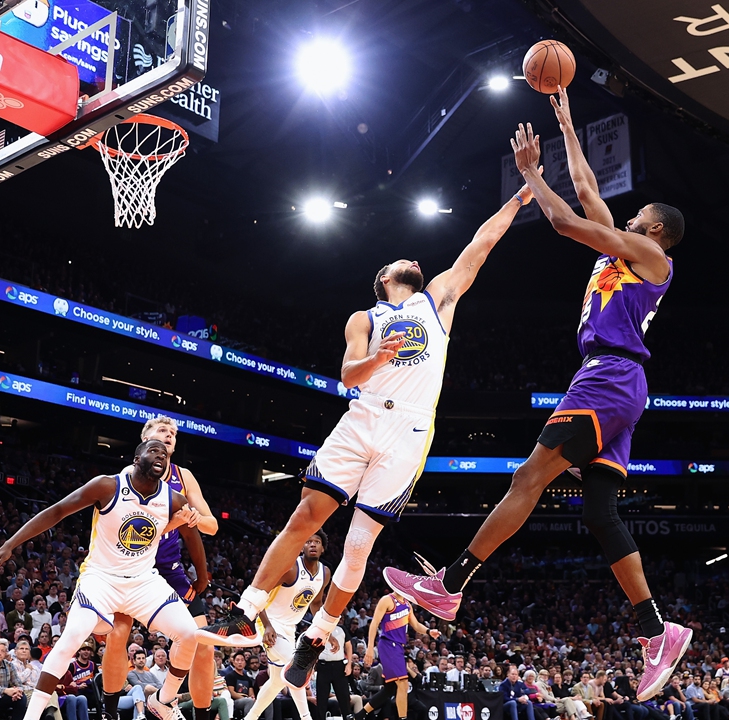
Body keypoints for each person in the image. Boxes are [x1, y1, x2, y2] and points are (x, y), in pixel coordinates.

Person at [383, 92, 691, 702]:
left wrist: (530, 176)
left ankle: (450, 584)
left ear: (655, 229)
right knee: (599, 513)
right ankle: (658, 632)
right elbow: (587, 191)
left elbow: (566, 222)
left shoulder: (650, 255)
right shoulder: (619, 248)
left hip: (608, 377)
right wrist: (567, 123)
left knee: (528, 476)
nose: (628, 219)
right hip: (617, 383)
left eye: (637, 217)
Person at [197, 175, 535, 695]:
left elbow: (482, 243)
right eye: (405, 260)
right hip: (362, 417)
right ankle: (245, 610)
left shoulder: (438, 300)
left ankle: (317, 635)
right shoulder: (365, 317)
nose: (417, 260)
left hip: (409, 429)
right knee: (305, 517)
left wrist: (519, 195)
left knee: (358, 546)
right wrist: (379, 358)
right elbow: (348, 375)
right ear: (384, 277)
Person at [0, 439, 207, 720]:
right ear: (137, 459)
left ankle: (163, 700)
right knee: (72, 637)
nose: (161, 455)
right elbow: (57, 511)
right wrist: (10, 544)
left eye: (165, 453)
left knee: (190, 634)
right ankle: (32, 716)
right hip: (101, 578)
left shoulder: (174, 499)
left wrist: (202, 576)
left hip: (143, 581)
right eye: (153, 450)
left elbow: (192, 536)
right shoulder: (108, 486)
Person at [103, 417, 218, 720]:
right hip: (133, 565)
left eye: (173, 433)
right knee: (119, 633)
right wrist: (177, 521)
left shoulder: (183, 476)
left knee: (205, 643)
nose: (169, 435)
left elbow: (211, 526)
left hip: (170, 569)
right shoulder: (127, 477)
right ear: (145, 441)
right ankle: (109, 712)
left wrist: (194, 518)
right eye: (162, 431)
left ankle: (184, 709)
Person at [247, 531, 331, 720]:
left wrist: (326, 629)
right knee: (296, 666)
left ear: (323, 548)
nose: (312, 544)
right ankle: (306, 717)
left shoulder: (324, 573)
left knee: (277, 682)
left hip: (290, 628)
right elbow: (260, 592)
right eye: (308, 541)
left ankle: (249, 718)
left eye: (317, 541)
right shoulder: (290, 568)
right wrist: (267, 625)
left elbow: (316, 603)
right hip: (268, 622)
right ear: (301, 547)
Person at [358, 593, 437, 720]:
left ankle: (359, 716)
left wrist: (429, 631)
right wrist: (370, 647)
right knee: (403, 683)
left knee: (390, 689)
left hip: (398, 647)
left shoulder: (407, 604)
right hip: (388, 644)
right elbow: (374, 623)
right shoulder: (387, 600)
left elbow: (416, 625)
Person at [314, 621, 351, 720]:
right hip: (323, 666)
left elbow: (348, 645)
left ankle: (348, 718)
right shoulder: (320, 629)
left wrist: (349, 664)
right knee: (321, 699)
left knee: (344, 698)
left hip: (339, 666)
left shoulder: (342, 629)